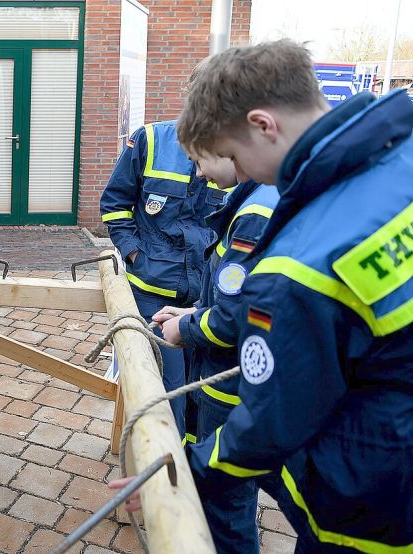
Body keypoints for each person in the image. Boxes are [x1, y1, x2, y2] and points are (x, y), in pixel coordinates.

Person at [112, 39, 413, 552]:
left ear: (263, 125)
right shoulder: (399, 160)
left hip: (373, 504)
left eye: (231, 155)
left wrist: (186, 471)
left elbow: (271, 417)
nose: (238, 175)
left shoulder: (299, 260)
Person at [150, 155, 279, 553]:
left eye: (200, 159)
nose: (199, 173)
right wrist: (195, 311)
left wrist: (185, 329)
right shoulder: (256, 195)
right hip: (233, 379)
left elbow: (235, 320)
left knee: (226, 504)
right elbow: (243, 298)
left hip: (230, 388)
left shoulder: (254, 214)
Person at [99, 84, 228, 433]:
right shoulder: (151, 140)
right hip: (151, 294)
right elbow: (114, 204)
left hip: (204, 301)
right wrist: (135, 254)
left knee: (201, 395)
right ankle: (165, 475)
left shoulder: (234, 153)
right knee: (168, 395)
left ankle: (188, 470)